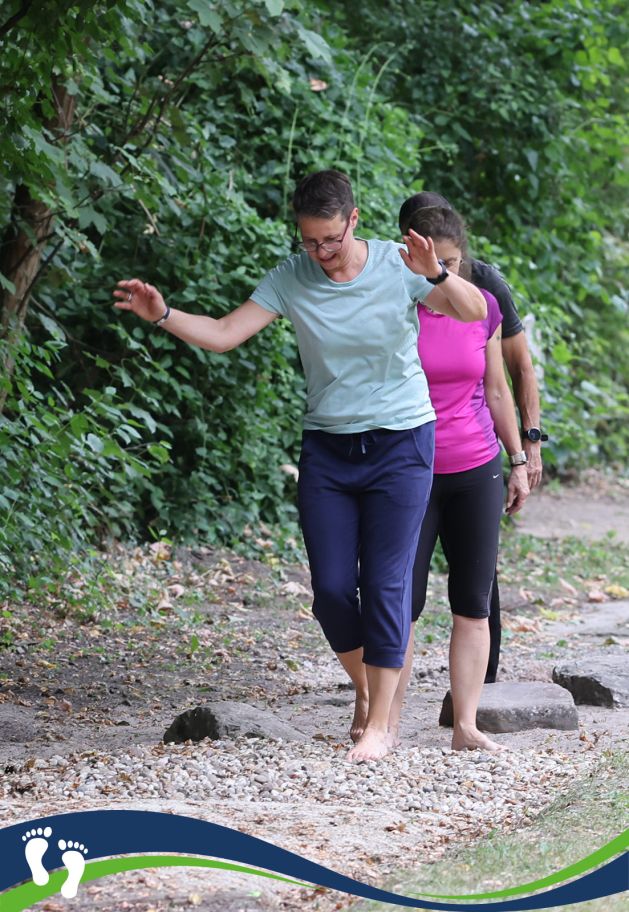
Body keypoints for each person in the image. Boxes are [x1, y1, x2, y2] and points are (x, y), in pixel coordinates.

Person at [114, 170, 487, 763]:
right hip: (329, 449)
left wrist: (435, 272)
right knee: (333, 590)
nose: (320, 253)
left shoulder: (399, 263)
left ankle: (381, 727)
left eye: (330, 241)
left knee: (387, 583)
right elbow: (224, 333)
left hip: (401, 443)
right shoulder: (292, 276)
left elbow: (474, 312)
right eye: (310, 241)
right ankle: (369, 693)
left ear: (353, 221)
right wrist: (164, 315)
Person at [387, 203, 530, 751]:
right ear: (409, 254)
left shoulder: (483, 307)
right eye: (429, 262)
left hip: (475, 468)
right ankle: (388, 721)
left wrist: (517, 459)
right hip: (410, 469)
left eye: (448, 263)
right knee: (401, 599)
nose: (438, 274)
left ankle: (466, 725)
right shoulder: (399, 303)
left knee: (473, 601)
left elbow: (497, 389)